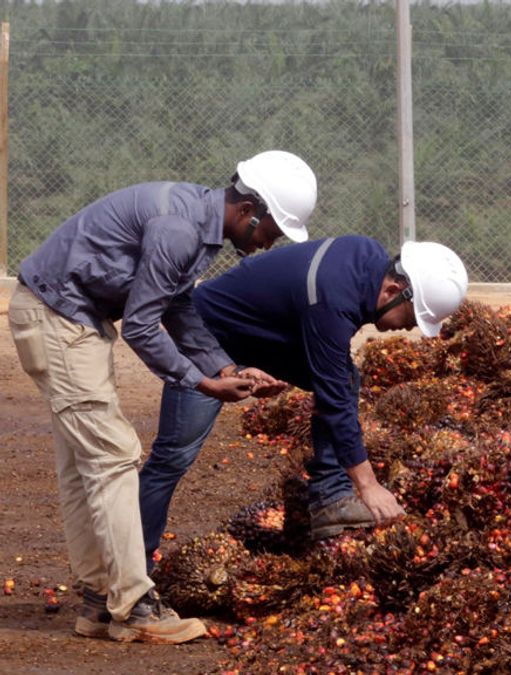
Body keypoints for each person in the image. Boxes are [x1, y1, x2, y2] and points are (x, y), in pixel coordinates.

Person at [7, 150, 318, 644]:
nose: (268, 242)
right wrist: (200, 383)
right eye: (271, 230)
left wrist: (225, 366)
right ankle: (134, 604)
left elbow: (177, 307)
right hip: (57, 317)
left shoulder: (196, 224)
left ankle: (99, 602)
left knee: (85, 462)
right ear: (248, 210)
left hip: (69, 318)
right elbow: (143, 325)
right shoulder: (180, 229)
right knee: (112, 457)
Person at [139, 235, 468, 570]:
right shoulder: (333, 300)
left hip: (262, 332)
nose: (413, 326)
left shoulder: (365, 258)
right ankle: (134, 567)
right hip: (209, 335)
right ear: (394, 291)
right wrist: (368, 486)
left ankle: (329, 494)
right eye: (415, 315)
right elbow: (334, 398)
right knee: (173, 456)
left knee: (346, 377)